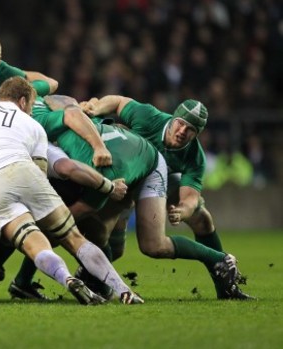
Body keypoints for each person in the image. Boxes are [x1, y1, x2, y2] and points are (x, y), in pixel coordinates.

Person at [0, 76, 142, 304]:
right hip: (25, 170)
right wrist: (108, 187)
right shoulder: (33, 126)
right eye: (31, 106)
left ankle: (65, 278)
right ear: (23, 102)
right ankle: (122, 290)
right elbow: (43, 171)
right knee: (74, 238)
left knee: (29, 241)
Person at [79, 96, 253, 300]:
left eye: (190, 130)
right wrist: (98, 108)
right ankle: (90, 277)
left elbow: (190, 197)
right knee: (114, 248)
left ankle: (223, 278)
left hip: (157, 181)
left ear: (197, 134)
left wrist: (183, 210)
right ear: (173, 118)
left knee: (201, 217)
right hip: (128, 179)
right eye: (180, 124)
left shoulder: (195, 156)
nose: (182, 132)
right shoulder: (148, 117)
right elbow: (118, 101)